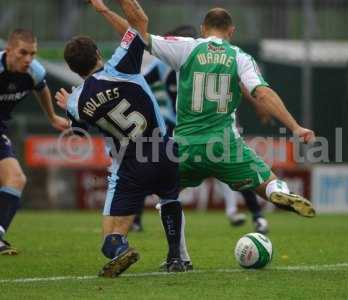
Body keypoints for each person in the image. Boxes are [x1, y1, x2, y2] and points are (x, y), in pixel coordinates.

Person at [91, 0, 316, 268]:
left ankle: (178, 257)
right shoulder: (240, 57)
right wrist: (295, 127)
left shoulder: (187, 48)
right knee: (265, 181)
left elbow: (136, 34)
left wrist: (105, 10)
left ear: (202, 28)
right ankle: (279, 190)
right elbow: (262, 93)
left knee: (168, 197)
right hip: (225, 145)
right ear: (231, 31)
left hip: (185, 145)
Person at [55, 1, 187, 275]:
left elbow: (75, 125)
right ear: (97, 53)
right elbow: (138, 22)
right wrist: (103, 9)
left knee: (110, 238)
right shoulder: (121, 66)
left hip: (130, 166)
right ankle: (176, 257)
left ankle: (120, 249)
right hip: (163, 149)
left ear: (72, 68)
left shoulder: (77, 102)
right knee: (170, 199)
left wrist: (67, 105)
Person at [131, 23, 268, 234]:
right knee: (152, 170)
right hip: (175, 127)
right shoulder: (162, 65)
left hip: (209, 127)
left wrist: (258, 104)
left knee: (234, 171)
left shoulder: (199, 58)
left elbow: (242, 84)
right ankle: (138, 219)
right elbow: (141, 83)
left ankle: (255, 215)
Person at [0, 29, 69, 255]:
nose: (28, 59)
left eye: (33, 53)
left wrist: (52, 117)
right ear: (8, 50)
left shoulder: (34, 72)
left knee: (16, 178)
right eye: (23, 53)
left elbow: (42, 89)